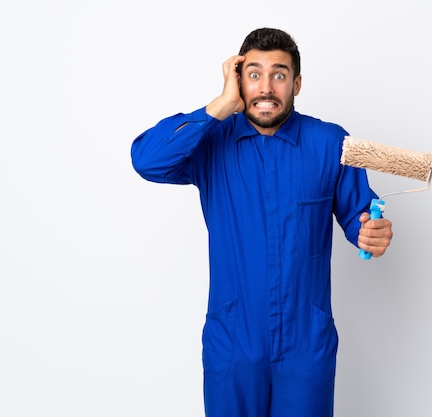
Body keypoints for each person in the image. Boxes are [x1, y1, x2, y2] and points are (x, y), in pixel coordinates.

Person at [130, 27, 393, 417]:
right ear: (237, 80)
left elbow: (359, 214)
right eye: (254, 74)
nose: (266, 87)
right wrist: (219, 106)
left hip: (306, 341)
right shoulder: (210, 141)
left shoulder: (330, 143)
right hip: (234, 338)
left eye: (279, 75)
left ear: (297, 84)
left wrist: (370, 232)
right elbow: (146, 160)